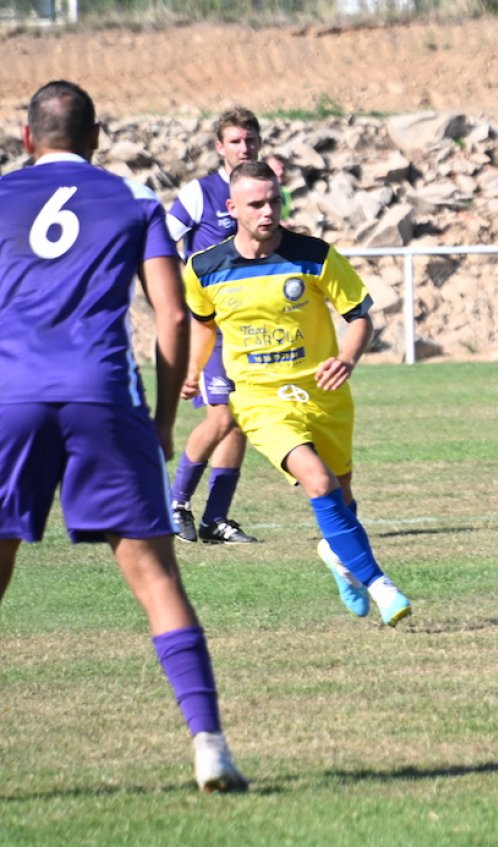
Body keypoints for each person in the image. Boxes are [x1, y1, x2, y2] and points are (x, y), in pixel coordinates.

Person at [0, 80, 246, 792]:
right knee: (155, 577)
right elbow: (172, 319)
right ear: (96, 138)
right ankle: (208, 744)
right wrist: (164, 417)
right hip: (102, 394)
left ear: (25, 138)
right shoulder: (135, 204)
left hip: (11, 396)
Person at [181, 160, 412, 627]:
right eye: (255, 204)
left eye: (274, 201)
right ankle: (382, 586)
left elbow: (360, 316)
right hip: (259, 399)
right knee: (318, 482)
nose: (267, 212)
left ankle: (337, 555)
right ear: (232, 208)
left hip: (324, 395)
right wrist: (191, 370)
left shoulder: (316, 255)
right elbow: (203, 325)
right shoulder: (203, 268)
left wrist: (346, 359)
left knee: (342, 500)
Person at [165, 107, 264, 546]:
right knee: (221, 415)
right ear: (220, 147)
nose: (244, 147)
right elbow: (159, 239)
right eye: (236, 141)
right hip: (209, 327)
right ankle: (174, 503)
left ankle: (216, 519)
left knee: (238, 422)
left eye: (250, 139)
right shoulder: (199, 193)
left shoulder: (265, 190)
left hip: (250, 326)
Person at [264, 152, 294, 220]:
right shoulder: (260, 194)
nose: (281, 172)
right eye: (276, 169)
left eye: (282, 168)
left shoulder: (285, 192)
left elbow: (285, 217)